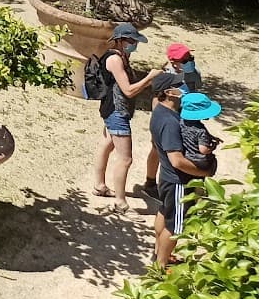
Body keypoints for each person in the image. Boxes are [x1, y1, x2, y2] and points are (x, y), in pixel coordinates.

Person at [92, 23, 158, 213]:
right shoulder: (115, 60)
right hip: (116, 113)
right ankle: (121, 203)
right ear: (119, 41)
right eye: (131, 40)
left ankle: (99, 185)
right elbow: (128, 90)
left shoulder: (122, 56)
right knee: (126, 159)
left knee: (107, 144)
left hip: (113, 110)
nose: (134, 44)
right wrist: (149, 78)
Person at [149, 73, 213, 267]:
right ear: (169, 92)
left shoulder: (159, 111)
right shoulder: (170, 123)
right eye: (180, 85)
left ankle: (158, 252)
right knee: (175, 225)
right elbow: (176, 160)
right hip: (177, 180)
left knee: (164, 211)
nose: (184, 87)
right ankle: (161, 266)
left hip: (166, 178)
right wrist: (204, 172)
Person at [144, 42, 206, 198]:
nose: (188, 62)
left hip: (186, 116)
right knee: (158, 150)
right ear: (172, 61)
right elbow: (157, 100)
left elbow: (194, 89)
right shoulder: (165, 76)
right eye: (183, 60)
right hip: (170, 116)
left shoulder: (193, 71)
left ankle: (191, 183)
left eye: (189, 58)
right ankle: (151, 182)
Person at [178, 92, 222, 176]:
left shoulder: (182, 122)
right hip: (198, 161)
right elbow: (203, 150)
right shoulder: (201, 131)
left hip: (186, 156)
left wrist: (211, 137)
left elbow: (194, 136)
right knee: (213, 161)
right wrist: (213, 147)